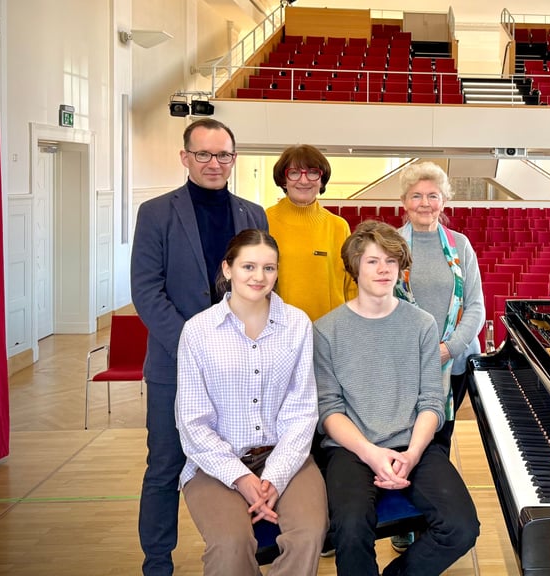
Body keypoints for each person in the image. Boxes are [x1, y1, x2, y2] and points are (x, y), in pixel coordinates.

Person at [131, 118, 268, 576]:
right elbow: (147, 291)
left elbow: (261, 285)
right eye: (204, 154)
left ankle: (246, 549)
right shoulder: (155, 212)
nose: (214, 163)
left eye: (223, 155)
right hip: (175, 366)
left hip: (241, 366)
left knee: (246, 458)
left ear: (234, 158)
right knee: (165, 466)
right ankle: (156, 564)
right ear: (185, 156)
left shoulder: (253, 213)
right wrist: (196, 348)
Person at [313, 220, 480, 576]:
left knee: (462, 528)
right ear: (355, 266)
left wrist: (413, 453)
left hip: (413, 445)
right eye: (373, 261)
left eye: (391, 261)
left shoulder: (421, 324)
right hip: (352, 449)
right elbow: (329, 410)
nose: (384, 269)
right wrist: (372, 454)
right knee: (350, 527)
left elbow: (431, 402)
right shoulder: (326, 330)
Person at [176, 229, 328, 575]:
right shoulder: (198, 331)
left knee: (308, 535)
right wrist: (241, 478)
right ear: (227, 269)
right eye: (248, 266)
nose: (259, 277)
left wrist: (274, 476)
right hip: (216, 463)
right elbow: (192, 422)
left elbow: (302, 410)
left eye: (269, 268)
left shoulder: (297, 324)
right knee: (231, 545)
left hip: (285, 455)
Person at [396, 161, 485, 448]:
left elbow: (476, 306)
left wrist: (448, 349)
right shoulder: (390, 244)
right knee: (404, 434)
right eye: (417, 196)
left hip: (454, 359)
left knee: (440, 437)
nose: (425, 203)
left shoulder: (461, 244)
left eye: (433, 196)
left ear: (443, 201)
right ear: (404, 202)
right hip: (404, 360)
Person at [266, 144, 356, 321]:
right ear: (283, 179)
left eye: (312, 172)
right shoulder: (264, 220)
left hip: (329, 330)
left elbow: (351, 285)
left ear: (322, 179)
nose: (304, 180)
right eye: (294, 173)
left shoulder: (338, 226)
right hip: (279, 329)